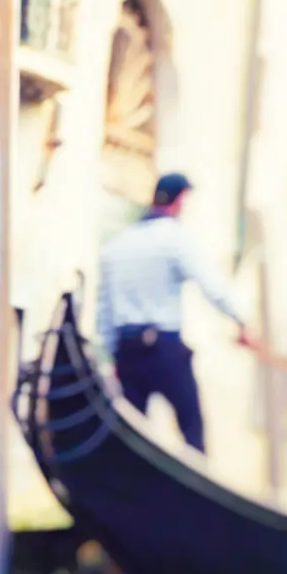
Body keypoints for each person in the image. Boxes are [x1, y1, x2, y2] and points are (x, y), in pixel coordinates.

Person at [95, 172, 254, 454]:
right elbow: (212, 286)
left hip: (127, 350)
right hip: (165, 350)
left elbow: (104, 312)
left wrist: (111, 355)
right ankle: (198, 486)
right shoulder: (174, 238)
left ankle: (133, 492)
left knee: (133, 434)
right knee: (192, 429)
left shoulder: (116, 246)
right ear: (180, 200)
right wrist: (243, 322)